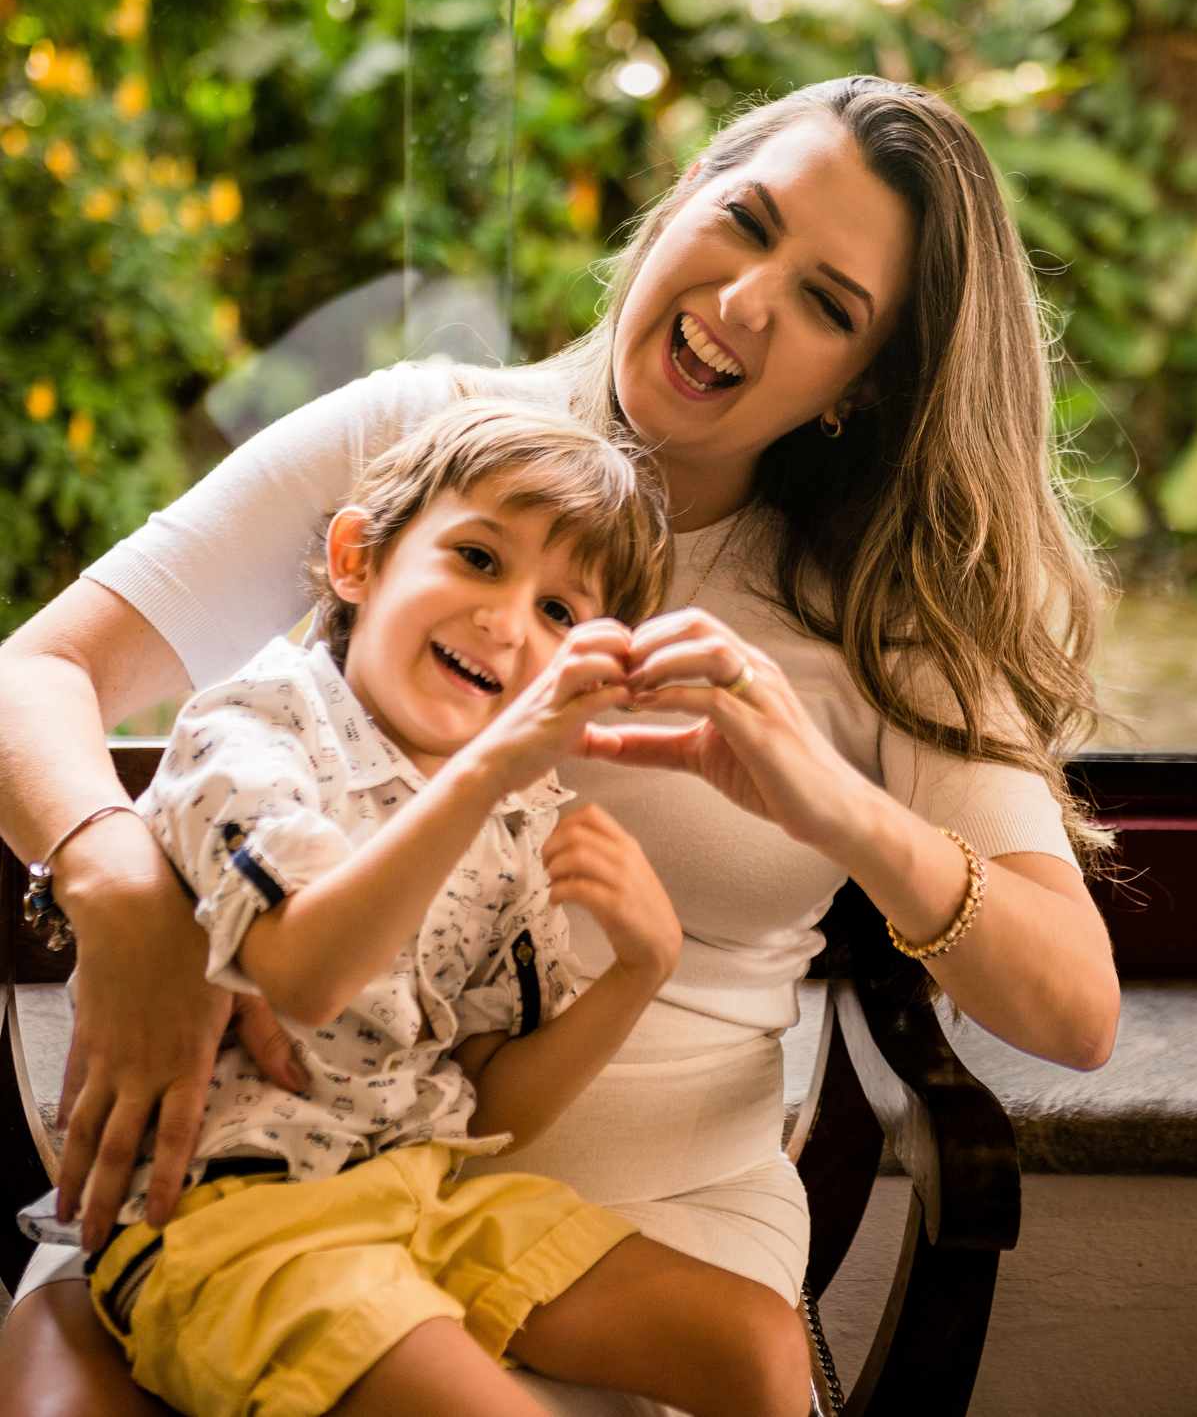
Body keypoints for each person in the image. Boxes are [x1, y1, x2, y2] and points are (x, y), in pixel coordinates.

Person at [0, 77, 1120, 1417]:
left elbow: (1075, 1007)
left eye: (828, 304)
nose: (751, 299)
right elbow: (39, 669)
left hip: (645, 1228)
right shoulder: (417, 438)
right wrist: (122, 888)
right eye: (744, 220)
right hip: (259, 1174)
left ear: (861, 388)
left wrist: (827, 799)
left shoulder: (886, 605)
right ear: (679, 204)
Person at [20, 400, 815, 1417]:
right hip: (229, 1221)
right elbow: (306, 970)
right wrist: (487, 768)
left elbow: (497, 1104)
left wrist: (635, 973)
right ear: (358, 559)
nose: (506, 619)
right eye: (479, 559)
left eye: (561, 612)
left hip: (423, 1191)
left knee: (757, 1348)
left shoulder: (516, 815)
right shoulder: (257, 729)